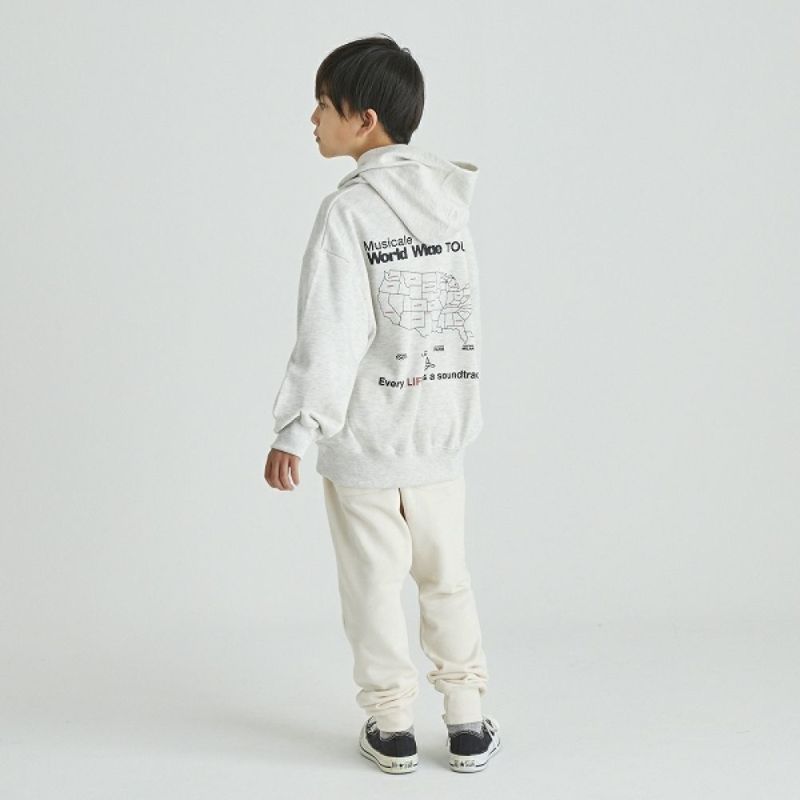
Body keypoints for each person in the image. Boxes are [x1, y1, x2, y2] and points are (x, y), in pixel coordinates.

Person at [263, 34, 501, 774]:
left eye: (323, 105)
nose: (312, 119)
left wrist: (297, 429)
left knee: (372, 588)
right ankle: (467, 720)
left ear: (363, 120)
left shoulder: (350, 213)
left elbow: (332, 330)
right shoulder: (451, 207)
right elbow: (459, 320)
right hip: (439, 437)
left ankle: (393, 725)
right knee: (447, 579)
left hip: (367, 442)